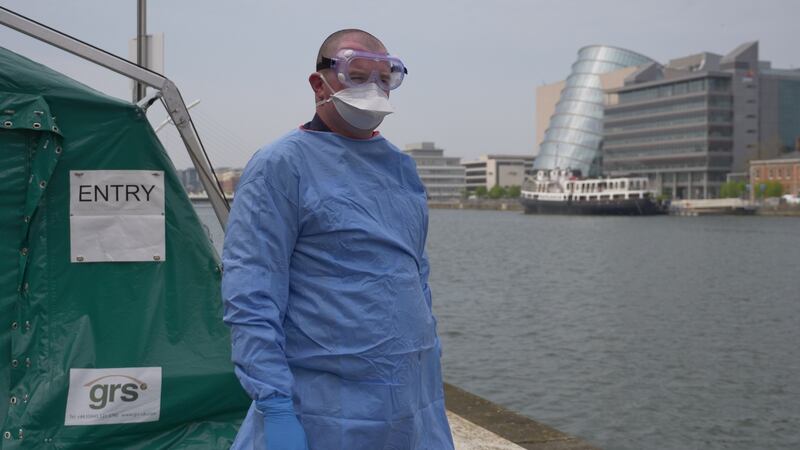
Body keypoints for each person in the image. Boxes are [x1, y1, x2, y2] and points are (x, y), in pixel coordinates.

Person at [221, 29, 454, 450]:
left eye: (385, 78)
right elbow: (251, 292)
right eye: (358, 75)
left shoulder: (402, 169)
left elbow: (416, 277)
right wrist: (274, 404)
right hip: (324, 408)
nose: (374, 89)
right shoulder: (280, 165)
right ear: (319, 83)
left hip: (412, 400)